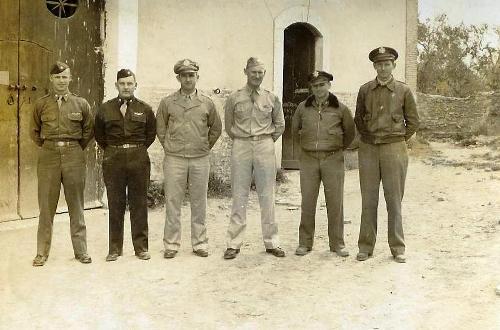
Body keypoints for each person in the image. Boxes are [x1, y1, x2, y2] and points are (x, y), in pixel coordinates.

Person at [354, 46, 420, 263]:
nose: (383, 68)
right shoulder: (365, 90)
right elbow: (359, 119)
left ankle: (397, 247)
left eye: (387, 64)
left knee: (394, 200)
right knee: (368, 199)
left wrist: (397, 138)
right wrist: (370, 139)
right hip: (369, 149)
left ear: (393, 65)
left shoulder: (403, 91)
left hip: (394, 149)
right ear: (374, 66)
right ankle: (365, 246)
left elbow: (413, 122)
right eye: (379, 64)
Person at [156, 59, 222, 258]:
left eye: (191, 75)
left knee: (199, 202)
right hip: (174, 158)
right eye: (184, 75)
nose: (187, 79)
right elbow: (161, 128)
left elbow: (216, 128)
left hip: (199, 158)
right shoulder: (168, 102)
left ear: (197, 77)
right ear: (178, 78)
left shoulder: (207, 102)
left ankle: (200, 243)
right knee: (173, 201)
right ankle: (171, 244)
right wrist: (169, 146)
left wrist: (204, 146)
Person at [30, 61, 94, 266]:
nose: (61, 81)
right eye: (57, 77)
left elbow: (87, 132)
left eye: (64, 77)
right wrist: (50, 145)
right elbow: (34, 132)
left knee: (76, 205)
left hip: (74, 154)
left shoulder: (81, 103)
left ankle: (81, 251)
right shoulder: (41, 104)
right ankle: (42, 252)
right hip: (48, 155)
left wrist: (72, 147)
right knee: (46, 207)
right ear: (51, 79)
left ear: (70, 79)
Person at [223, 57, 286, 259]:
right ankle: (234, 243)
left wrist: (265, 140)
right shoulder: (234, 98)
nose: (257, 76)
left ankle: (271, 242)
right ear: (246, 72)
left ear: (264, 74)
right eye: (253, 72)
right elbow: (229, 126)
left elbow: (280, 124)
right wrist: (243, 139)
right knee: (239, 194)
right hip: (241, 144)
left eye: (260, 72)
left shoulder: (271, 98)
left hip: (265, 144)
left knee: (267, 195)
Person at [94, 69, 156, 261]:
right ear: (116, 86)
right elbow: (99, 136)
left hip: (138, 157)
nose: (126, 87)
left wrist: (135, 149)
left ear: (135, 85)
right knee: (115, 203)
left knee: (139, 203)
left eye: (130, 83)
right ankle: (114, 248)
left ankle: (141, 248)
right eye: (122, 83)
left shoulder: (145, 109)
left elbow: (150, 134)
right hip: (113, 158)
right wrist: (115, 150)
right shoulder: (105, 109)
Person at [292, 70, 355, 257]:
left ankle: (337, 244)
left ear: (329, 85)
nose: (319, 89)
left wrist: (336, 149)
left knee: (335, 202)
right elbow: (295, 131)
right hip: (309, 159)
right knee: (308, 201)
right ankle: (304, 243)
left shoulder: (341, 109)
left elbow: (350, 133)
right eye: (315, 86)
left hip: (333, 159)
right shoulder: (302, 108)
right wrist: (306, 149)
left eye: (322, 85)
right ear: (311, 88)